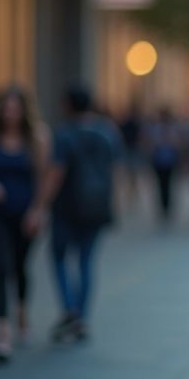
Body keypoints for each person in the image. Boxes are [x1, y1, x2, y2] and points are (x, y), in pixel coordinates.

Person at [25, 84, 121, 343]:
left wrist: (39, 205)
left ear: (68, 105)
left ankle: (70, 309)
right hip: (97, 207)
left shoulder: (65, 134)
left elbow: (56, 172)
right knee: (87, 261)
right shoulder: (107, 131)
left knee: (58, 257)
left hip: (67, 208)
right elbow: (115, 170)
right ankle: (81, 318)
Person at [0, 85, 50, 363]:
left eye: (15, 109)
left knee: (20, 268)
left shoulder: (37, 137)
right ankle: (3, 334)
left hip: (25, 213)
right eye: (6, 108)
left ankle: (22, 315)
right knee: (0, 268)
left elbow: (44, 177)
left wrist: (38, 211)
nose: (10, 114)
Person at [145, 106, 183, 222]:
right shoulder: (155, 128)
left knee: (169, 184)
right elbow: (149, 143)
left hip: (170, 160)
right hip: (159, 161)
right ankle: (163, 206)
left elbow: (179, 143)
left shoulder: (174, 128)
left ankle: (168, 206)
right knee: (161, 184)